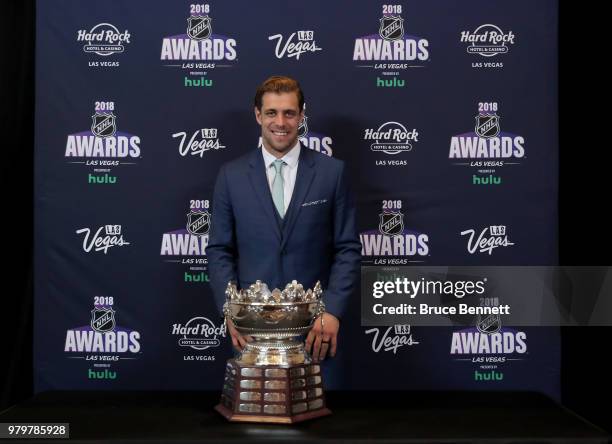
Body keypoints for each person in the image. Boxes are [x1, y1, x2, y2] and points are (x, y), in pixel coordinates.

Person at [207, 76, 361, 363]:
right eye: (271, 113)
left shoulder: (332, 173)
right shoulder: (231, 176)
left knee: (316, 406)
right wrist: (230, 310)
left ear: (301, 115)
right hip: (251, 333)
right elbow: (219, 250)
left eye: (289, 113)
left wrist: (332, 310)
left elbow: (347, 248)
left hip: (316, 332)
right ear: (257, 115)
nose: (281, 122)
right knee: (256, 408)